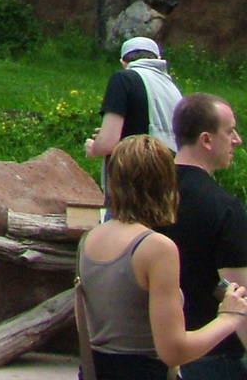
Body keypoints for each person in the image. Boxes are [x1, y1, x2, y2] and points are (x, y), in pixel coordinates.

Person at [78, 135, 247, 380]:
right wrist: (229, 318)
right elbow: (174, 351)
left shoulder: (89, 239)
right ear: (166, 184)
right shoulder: (156, 248)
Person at [160, 94, 247, 380]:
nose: (237, 140)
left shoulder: (147, 195)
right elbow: (241, 298)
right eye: (230, 131)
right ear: (206, 140)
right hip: (211, 357)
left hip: (151, 352)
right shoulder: (224, 207)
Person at [87, 37, 183, 161]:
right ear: (158, 59)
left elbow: (107, 144)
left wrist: (95, 147)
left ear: (123, 62)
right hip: (171, 165)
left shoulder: (123, 79)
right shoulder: (172, 87)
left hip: (140, 164)